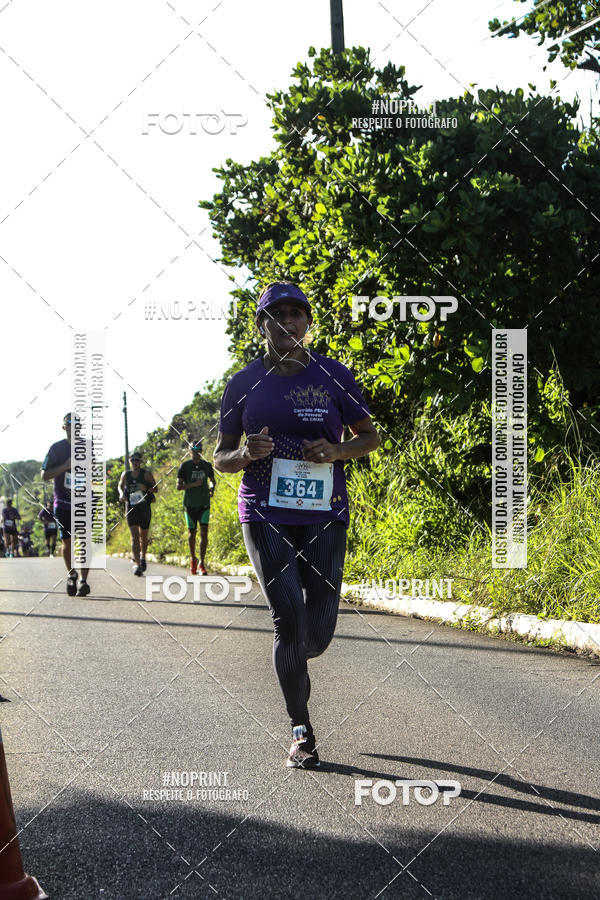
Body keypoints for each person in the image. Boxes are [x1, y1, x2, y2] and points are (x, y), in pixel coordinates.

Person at [214, 281, 380, 768]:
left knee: (319, 630)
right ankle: (301, 732)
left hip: (325, 512)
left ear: (307, 324)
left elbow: (369, 437)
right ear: (262, 325)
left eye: (296, 315)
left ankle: (297, 660)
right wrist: (244, 453)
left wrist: (337, 450)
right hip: (264, 512)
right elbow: (221, 457)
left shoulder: (334, 375)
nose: (287, 323)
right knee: (287, 620)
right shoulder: (242, 384)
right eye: (276, 316)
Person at [41, 413, 91, 596]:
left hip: (83, 502)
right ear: (64, 427)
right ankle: (72, 575)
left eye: (77, 424)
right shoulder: (56, 449)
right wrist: (65, 466)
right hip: (62, 503)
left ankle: (84, 581)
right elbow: (44, 475)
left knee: (85, 541)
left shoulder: (87, 446)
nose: (73, 427)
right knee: (67, 542)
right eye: (69, 424)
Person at [177, 440, 215, 575]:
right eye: (193, 448)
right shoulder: (185, 466)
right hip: (190, 504)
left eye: (198, 448)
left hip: (204, 503)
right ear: (189, 451)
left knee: (204, 533)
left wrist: (212, 489)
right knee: (191, 534)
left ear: (201, 450)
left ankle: (202, 563)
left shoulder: (206, 465)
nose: (195, 450)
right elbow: (179, 486)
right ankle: (193, 558)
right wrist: (193, 485)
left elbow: (212, 481)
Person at [118, 452, 157, 576]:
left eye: (137, 460)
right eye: (132, 460)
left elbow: (156, 488)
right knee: (134, 536)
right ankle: (137, 564)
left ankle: (143, 557)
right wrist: (121, 494)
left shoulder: (146, 474)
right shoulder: (126, 475)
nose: (134, 462)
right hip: (131, 508)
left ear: (141, 461)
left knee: (143, 536)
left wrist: (145, 488)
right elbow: (120, 486)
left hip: (144, 507)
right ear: (129, 461)